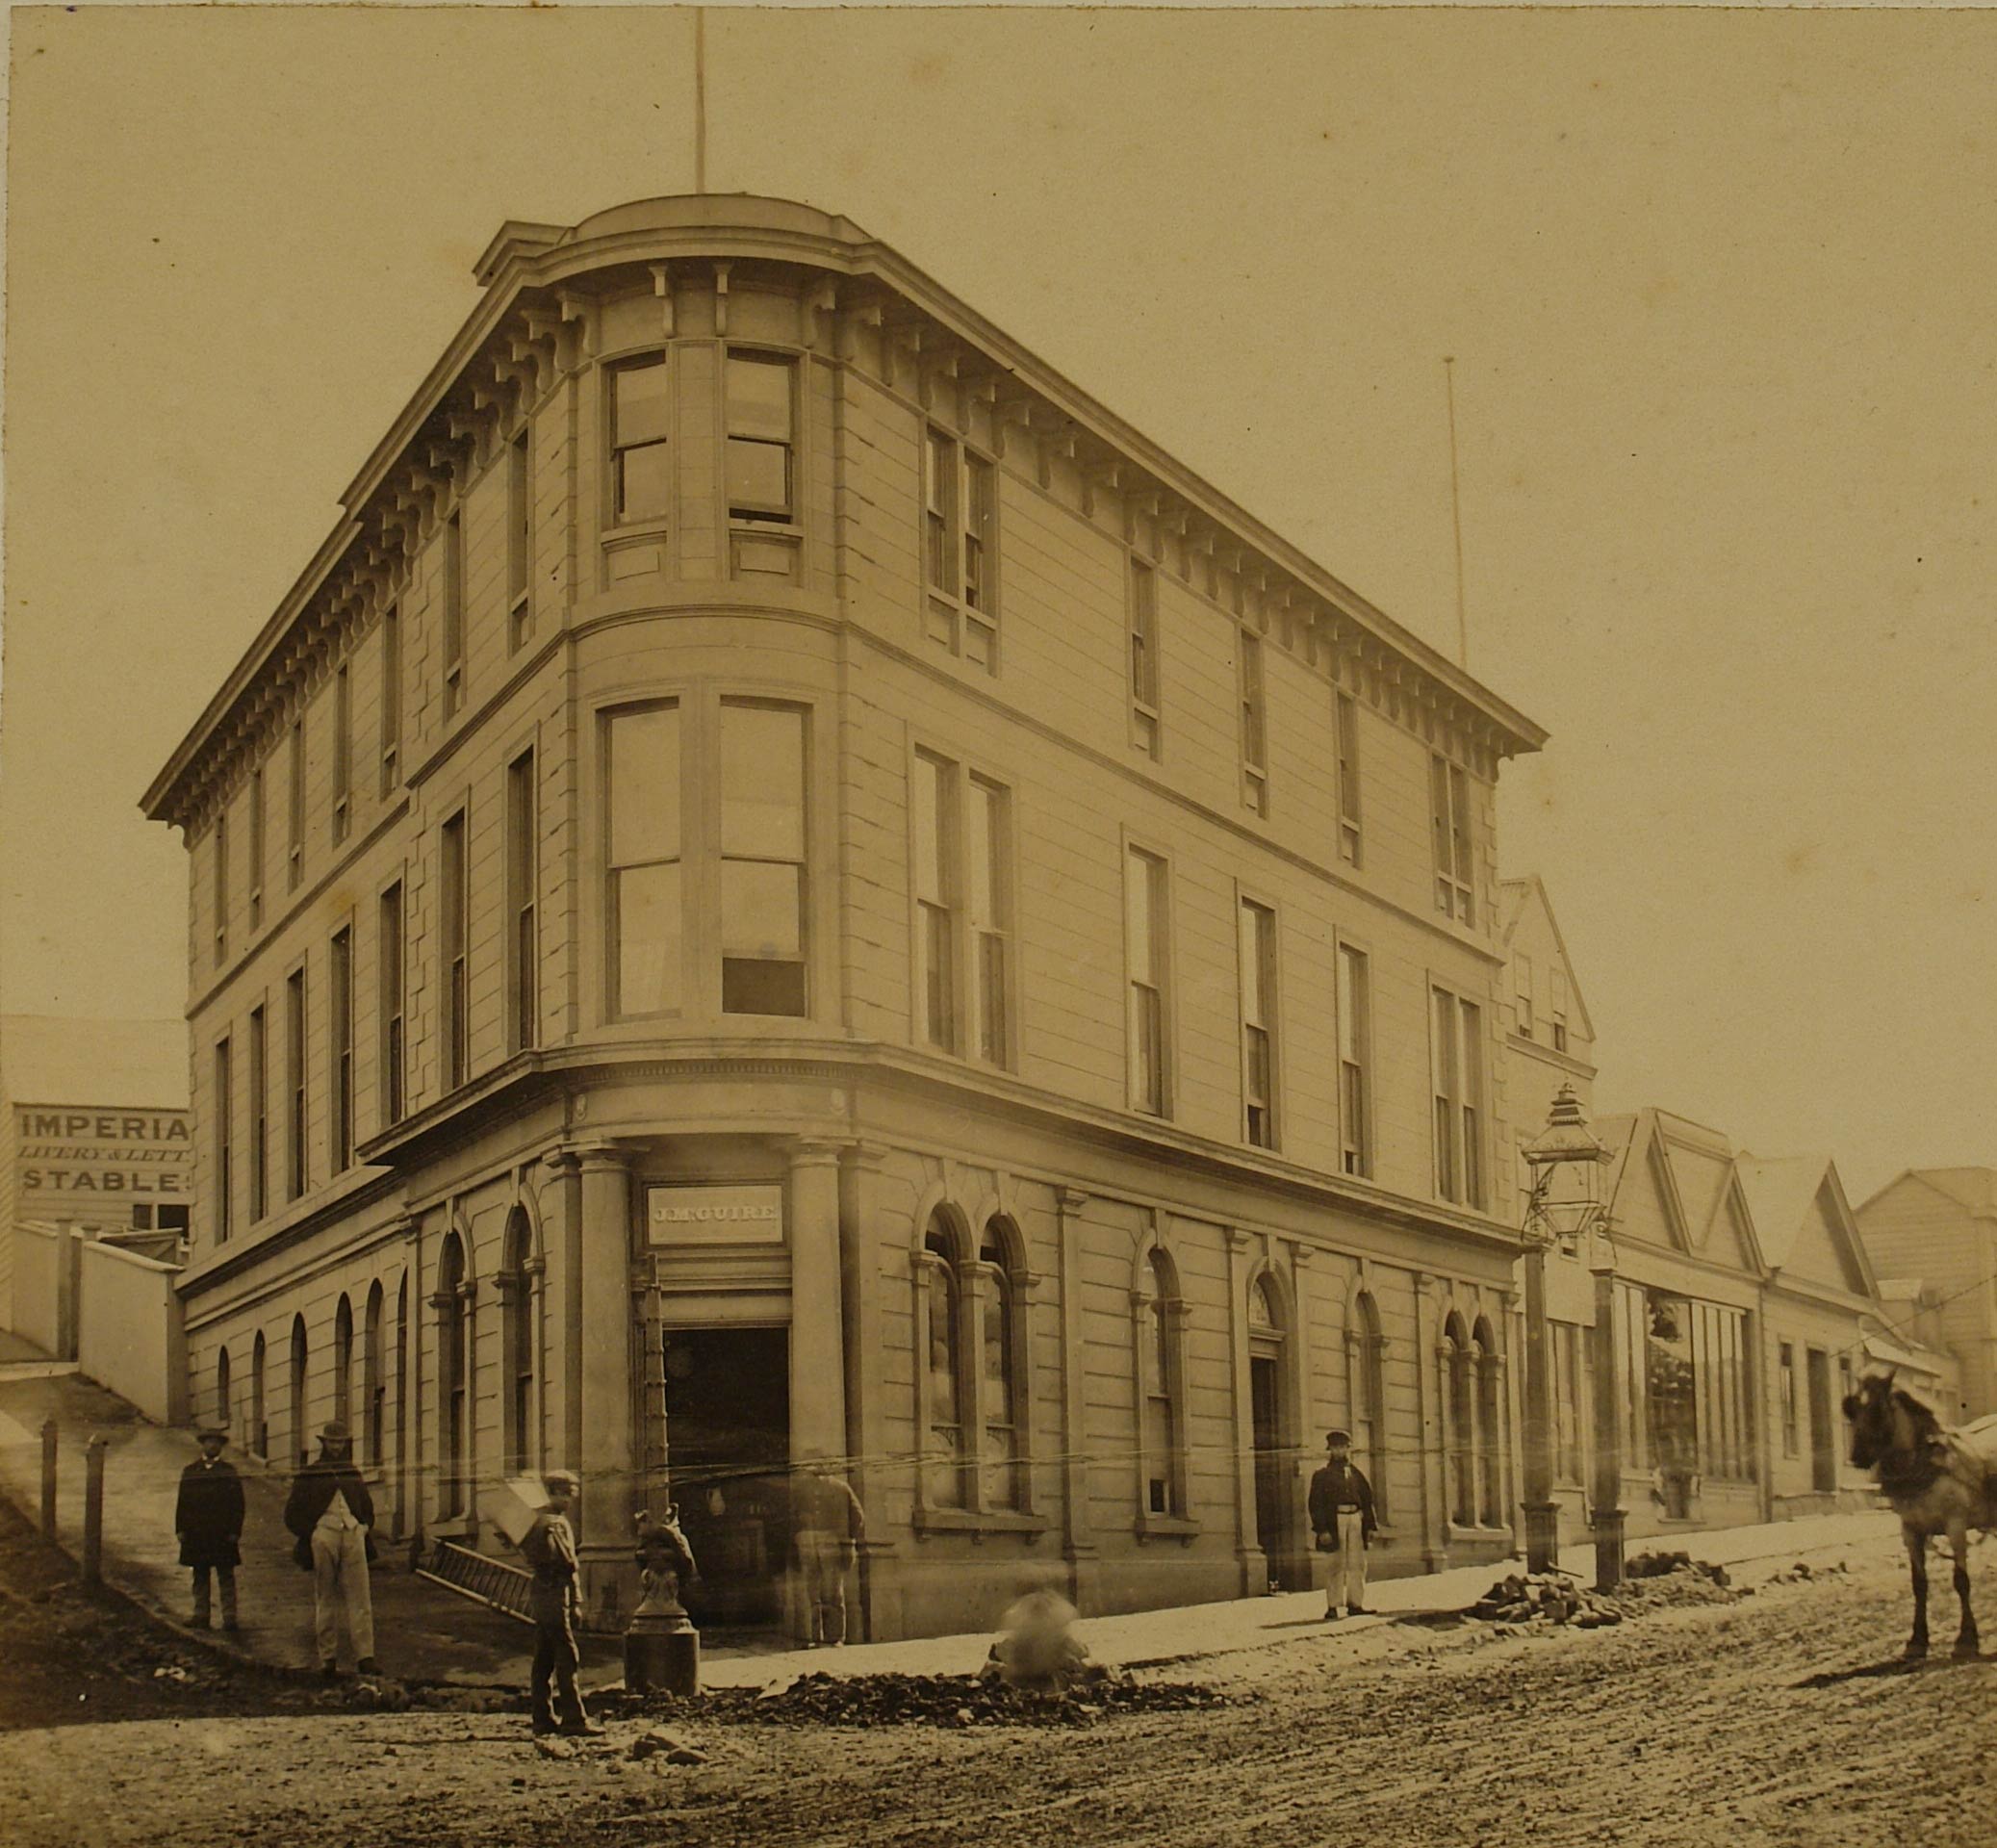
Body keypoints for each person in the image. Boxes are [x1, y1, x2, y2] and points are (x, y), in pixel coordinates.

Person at [283, 1419, 379, 1679]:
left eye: (340, 1442)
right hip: (323, 1535)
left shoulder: (352, 1473)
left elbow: (367, 1508)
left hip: (352, 1535)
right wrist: (312, 1533)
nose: (336, 1447)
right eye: (332, 1442)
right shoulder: (311, 1473)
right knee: (325, 1596)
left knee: (360, 1597)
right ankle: (328, 1658)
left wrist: (364, 1527)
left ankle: (365, 1657)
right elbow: (291, 1514)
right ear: (323, 1443)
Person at [519, 1470, 602, 1736]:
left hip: (543, 1592)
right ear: (554, 1492)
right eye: (566, 1494)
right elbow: (567, 1563)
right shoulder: (553, 1523)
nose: (569, 1501)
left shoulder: (537, 1521)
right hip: (555, 1592)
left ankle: (542, 1719)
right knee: (567, 1655)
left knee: (544, 1657)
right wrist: (576, 1600)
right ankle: (574, 1720)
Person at [175, 1422, 244, 1631]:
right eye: (209, 1442)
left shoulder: (229, 1471)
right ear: (203, 1445)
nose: (212, 1446)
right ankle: (201, 1614)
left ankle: (229, 1617)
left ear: (221, 1447)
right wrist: (180, 1529)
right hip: (197, 1533)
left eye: (216, 1442)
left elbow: (238, 1504)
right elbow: (183, 1503)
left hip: (222, 1533)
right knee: (200, 1574)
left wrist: (235, 1531)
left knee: (225, 1575)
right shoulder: (190, 1471)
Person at [790, 1452, 864, 1647]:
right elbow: (858, 1517)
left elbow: (792, 1517)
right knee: (831, 1590)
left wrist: (799, 1536)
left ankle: (819, 1637)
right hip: (826, 1540)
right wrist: (849, 1539)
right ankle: (834, 1637)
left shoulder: (802, 1488)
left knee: (814, 1590)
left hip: (811, 1540)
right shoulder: (840, 1487)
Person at [1307, 1427, 1379, 1619]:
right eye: (1335, 1448)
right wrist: (1322, 1530)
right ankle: (1332, 1606)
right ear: (1329, 1450)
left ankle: (1356, 1604)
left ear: (1349, 1448)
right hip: (1334, 1521)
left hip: (1356, 1519)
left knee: (1357, 1564)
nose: (1339, 1451)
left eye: (1343, 1447)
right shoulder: (1322, 1475)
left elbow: (1367, 1500)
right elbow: (1315, 1504)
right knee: (1334, 1564)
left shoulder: (1356, 1474)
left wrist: (1370, 1526)